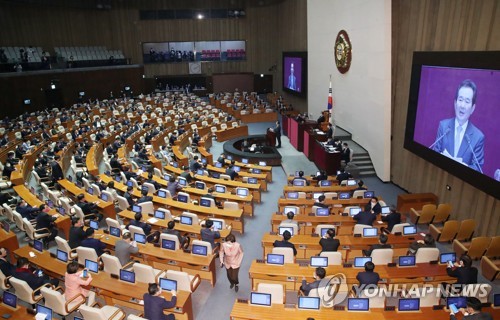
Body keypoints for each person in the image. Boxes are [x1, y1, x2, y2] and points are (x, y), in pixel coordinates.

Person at [431, 79, 484, 173]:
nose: (462, 105)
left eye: (467, 101)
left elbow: (478, 169)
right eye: (460, 100)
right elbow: (435, 155)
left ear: (472, 108)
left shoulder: (478, 137)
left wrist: (463, 168)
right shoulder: (443, 126)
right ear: (455, 103)